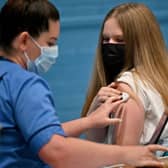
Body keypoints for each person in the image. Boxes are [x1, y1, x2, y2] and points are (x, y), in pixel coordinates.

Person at [0, 0, 167, 168]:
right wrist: (128, 154)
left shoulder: (7, 79)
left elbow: (38, 133)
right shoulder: (24, 84)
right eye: (50, 43)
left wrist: (89, 121)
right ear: (23, 41)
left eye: (119, 40)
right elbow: (56, 149)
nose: (110, 47)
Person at [81, 2, 168, 155]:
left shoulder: (127, 85)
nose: (110, 46)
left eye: (120, 40)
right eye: (106, 39)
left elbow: (123, 160)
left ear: (143, 42)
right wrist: (93, 113)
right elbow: (95, 139)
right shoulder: (158, 80)